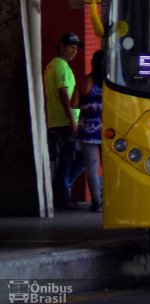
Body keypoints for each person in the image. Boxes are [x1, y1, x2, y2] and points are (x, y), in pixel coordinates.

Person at [44, 33, 85, 209]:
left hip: (58, 120)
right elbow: (63, 94)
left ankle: (63, 191)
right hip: (65, 121)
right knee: (79, 156)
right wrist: (72, 120)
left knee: (68, 156)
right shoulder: (60, 66)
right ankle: (64, 194)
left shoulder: (53, 65)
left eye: (76, 48)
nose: (74, 51)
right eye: (71, 47)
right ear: (61, 46)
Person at [72, 50, 104, 212]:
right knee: (110, 167)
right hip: (107, 131)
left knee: (91, 166)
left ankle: (96, 201)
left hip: (86, 130)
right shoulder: (110, 82)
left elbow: (74, 103)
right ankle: (110, 197)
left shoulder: (84, 80)